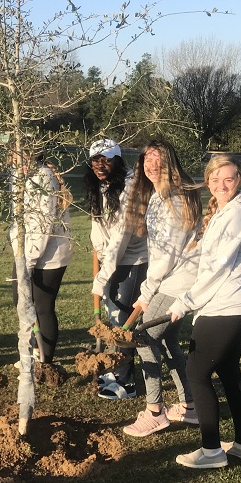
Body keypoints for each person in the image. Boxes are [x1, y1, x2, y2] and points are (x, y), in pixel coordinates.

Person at [168, 154, 241, 469]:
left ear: (239, 179)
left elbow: (218, 267)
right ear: (208, 181)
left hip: (223, 309)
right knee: (229, 373)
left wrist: (185, 301)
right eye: (215, 179)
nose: (222, 185)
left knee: (196, 373)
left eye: (229, 178)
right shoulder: (229, 212)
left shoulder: (237, 214)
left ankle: (211, 452)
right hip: (230, 306)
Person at [121, 140, 202, 435]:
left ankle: (155, 411)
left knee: (143, 337)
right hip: (173, 279)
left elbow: (166, 255)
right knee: (167, 342)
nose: (151, 166)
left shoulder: (175, 199)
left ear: (170, 163)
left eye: (158, 160)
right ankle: (190, 407)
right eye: (146, 160)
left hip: (176, 282)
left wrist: (145, 294)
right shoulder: (159, 196)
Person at [86, 139, 149, 400]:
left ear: (118, 160)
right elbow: (99, 227)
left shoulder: (131, 188)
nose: (100, 165)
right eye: (95, 160)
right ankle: (113, 370)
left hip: (131, 261)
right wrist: (98, 252)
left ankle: (125, 382)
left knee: (122, 321)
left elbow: (121, 236)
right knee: (114, 317)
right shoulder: (101, 185)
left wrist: (100, 281)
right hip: (110, 257)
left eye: (107, 159)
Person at [9, 152, 73, 364]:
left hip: (49, 253)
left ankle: (44, 360)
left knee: (42, 307)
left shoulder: (44, 177)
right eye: (15, 157)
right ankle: (31, 350)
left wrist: (29, 261)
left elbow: (42, 225)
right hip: (26, 251)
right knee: (21, 301)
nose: (19, 162)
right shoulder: (17, 176)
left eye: (25, 157)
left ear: (34, 156)